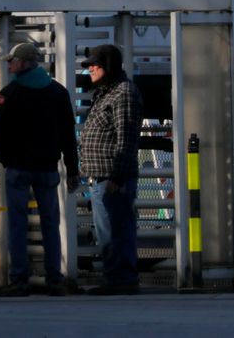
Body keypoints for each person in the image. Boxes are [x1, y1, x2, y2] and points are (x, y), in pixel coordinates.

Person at [0, 43, 81, 297]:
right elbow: (67, 135)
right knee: (51, 224)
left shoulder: (10, 93)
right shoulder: (58, 92)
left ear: (23, 63)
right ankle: (55, 279)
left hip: (18, 168)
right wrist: (72, 169)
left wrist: (4, 158)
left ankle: (19, 280)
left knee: (17, 225)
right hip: (48, 169)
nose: (9, 65)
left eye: (12, 61)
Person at [79, 44, 143, 295]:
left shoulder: (123, 93)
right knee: (108, 230)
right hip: (102, 176)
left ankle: (121, 279)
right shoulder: (107, 92)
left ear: (109, 66)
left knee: (116, 229)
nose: (90, 69)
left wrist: (117, 175)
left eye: (95, 64)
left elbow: (126, 138)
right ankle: (115, 277)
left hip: (112, 176)